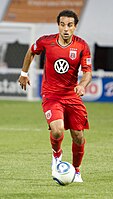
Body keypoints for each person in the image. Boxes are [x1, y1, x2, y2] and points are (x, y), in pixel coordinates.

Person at [18, 10, 92, 183]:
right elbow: (31, 52)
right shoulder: (46, 41)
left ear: (75, 27)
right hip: (51, 94)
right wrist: (24, 72)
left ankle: (76, 171)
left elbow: (88, 73)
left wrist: (81, 85)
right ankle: (56, 156)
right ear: (58, 25)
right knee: (57, 130)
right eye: (62, 24)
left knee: (78, 136)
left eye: (70, 25)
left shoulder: (82, 46)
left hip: (72, 96)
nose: (66, 29)